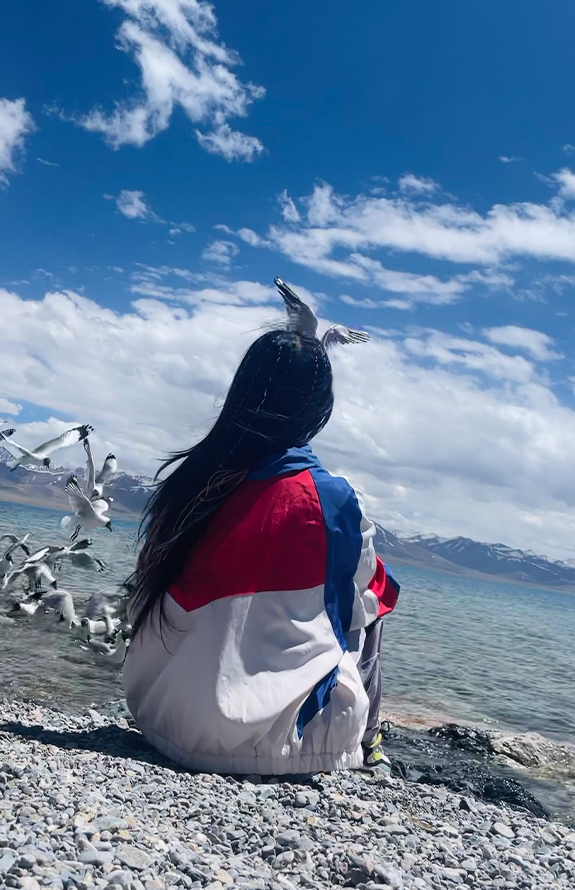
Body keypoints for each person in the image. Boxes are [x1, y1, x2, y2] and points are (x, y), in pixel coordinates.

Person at [123, 322, 399, 777]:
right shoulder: (326, 497)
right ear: (319, 408)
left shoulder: (187, 482)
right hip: (277, 747)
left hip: (159, 715)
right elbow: (363, 601)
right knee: (378, 592)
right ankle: (369, 742)